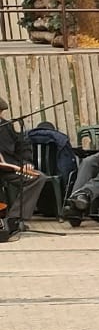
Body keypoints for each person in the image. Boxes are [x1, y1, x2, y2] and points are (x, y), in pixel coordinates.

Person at [0, 97, 44, 240]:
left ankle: (15, 218)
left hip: (10, 167)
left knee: (38, 177)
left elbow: (22, 144)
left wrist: (26, 161)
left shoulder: (6, 126)